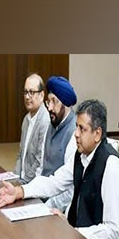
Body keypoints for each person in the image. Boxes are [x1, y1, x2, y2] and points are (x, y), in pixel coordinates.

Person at [0, 99, 119, 239]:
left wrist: (73, 232)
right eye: (76, 127)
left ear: (97, 134)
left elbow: (112, 230)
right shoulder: (81, 155)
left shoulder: (111, 165)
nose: (76, 134)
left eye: (82, 129)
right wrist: (20, 191)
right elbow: (54, 182)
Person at [41, 76, 78, 212]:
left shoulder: (74, 133)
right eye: (48, 102)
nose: (49, 108)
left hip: (57, 208)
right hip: (43, 195)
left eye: (54, 102)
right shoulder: (52, 124)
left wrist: (46, 207)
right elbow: (42, 167)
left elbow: (70, 190)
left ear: (66, 104)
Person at [13, 74, 50, 183]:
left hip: (32, 184)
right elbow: (21, 154)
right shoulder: (26, 119)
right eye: (25, 92)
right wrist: (14, 178)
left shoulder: (45, 121)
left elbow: (39, 162)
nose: (27, 97)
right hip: (21, 181)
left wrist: (22, 184)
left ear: (42, 95)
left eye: (32, 92)